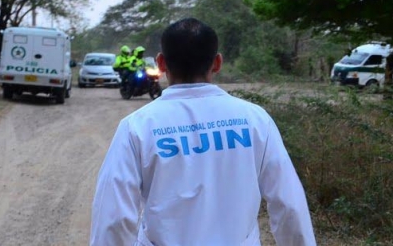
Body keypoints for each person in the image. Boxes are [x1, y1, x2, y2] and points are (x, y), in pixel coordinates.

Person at [90, 18, 316, 246]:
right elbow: (289, 206)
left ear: (161, 63)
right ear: (217, 63)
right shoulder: (256, 120)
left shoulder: (137, 127)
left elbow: (113, 220)